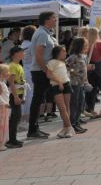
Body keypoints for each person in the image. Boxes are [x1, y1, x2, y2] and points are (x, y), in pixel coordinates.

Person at [27, 12, 59, 140]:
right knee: (38, 99)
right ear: (46, 20)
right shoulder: (41, 33)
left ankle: (35, 128)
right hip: (41, 71)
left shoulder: (45, 33)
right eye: (53, 18)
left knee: (40, 99)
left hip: (44, 70)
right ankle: (32, 129)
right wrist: (46, 71)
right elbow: (39, 55)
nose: (55, 20)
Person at [46, 46, 74, 139]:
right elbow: (49, 74)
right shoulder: (51, 62)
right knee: (62, 108)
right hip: (57, 85)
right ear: (58, 53)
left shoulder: (64, 62)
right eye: (64, 52)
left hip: (67, 84)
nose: (65, 53)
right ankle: (69, 127)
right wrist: (59, 82)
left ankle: (65, 128)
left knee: (67, 107)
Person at [65, 37, 90, 134]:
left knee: (80, 103)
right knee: (74, 103)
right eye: (85, 45)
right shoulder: (73, 57)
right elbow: (65, 66)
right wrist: (73, 72)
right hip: (74, 83)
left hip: (82, 83)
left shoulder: (83, 56)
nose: (86, 47)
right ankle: (73, 123)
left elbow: (84, 70)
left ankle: (77, 121)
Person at [3, 46, 24, 149]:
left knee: (17, 116)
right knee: (15, 117)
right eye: (21, 52)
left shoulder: (18, 65)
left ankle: (12, 138)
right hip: (14, 94)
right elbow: (11, 82)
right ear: (15, 54)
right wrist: (15, 96)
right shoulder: (12, 66)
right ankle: (11, 139)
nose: (23, 54)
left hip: (19, 93)